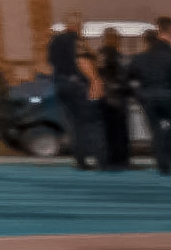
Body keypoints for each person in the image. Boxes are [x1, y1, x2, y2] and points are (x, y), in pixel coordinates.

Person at [53, 19, 107, 170]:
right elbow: (84, 63)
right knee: (94, 124)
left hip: (62, 86)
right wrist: (96, 84)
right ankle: (101, 160)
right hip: (80, 88)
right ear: (77, 28)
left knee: (76, 126)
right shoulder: (76, 42)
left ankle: (80, 160)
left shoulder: (55, 43)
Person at [100, 29, 142, 171]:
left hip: (105, 98)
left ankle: (109, 161)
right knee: (122, 132)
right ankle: (122, 160)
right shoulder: (118, 57)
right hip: (119, 98)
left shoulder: (100, 55)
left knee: (108, 132)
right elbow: (124, 77)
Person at [136, 23, 171, 180]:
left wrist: (140, 95)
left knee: (156, 131)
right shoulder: (168, 56)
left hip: (148, 98)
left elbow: (131, 78)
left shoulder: (141, 58)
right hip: (167, 97)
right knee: (168, 130)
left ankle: (162, 164)